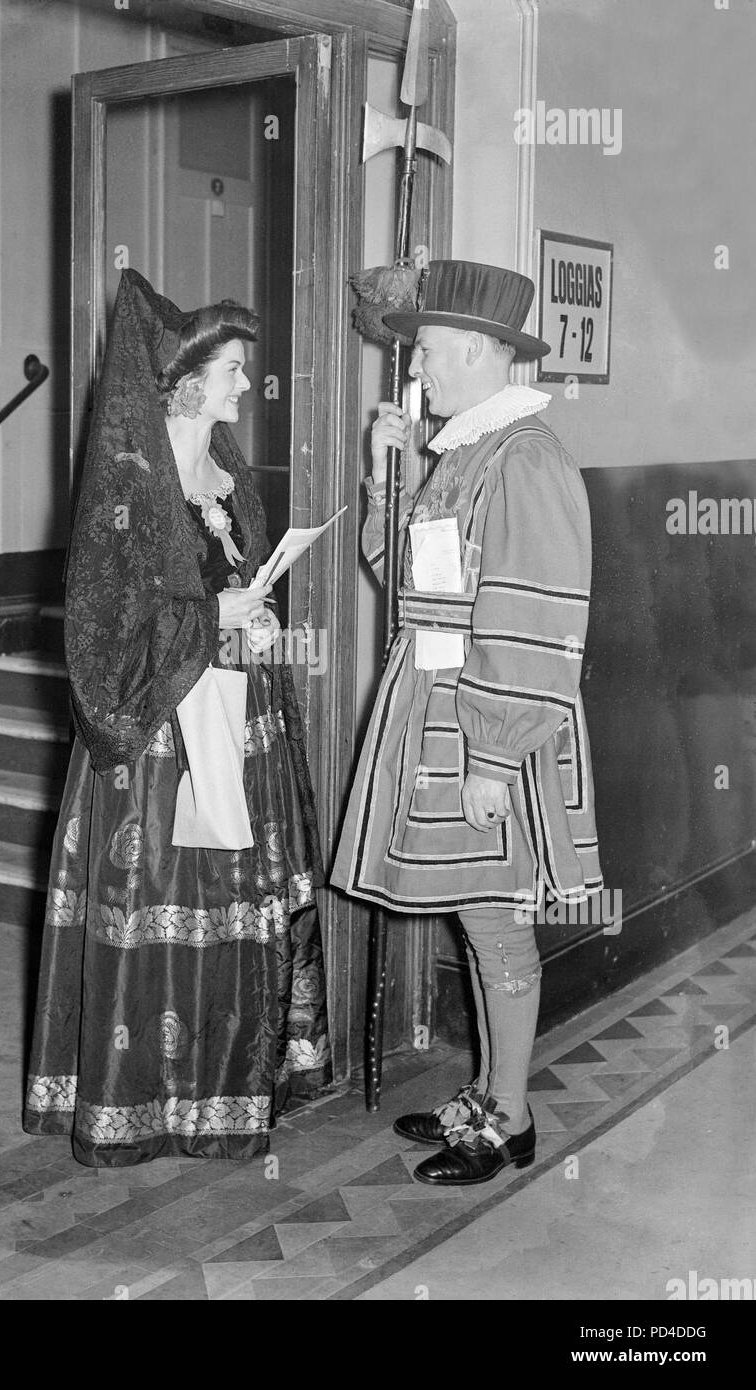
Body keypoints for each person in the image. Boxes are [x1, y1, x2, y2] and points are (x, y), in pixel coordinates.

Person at [24, 269, 329, 1166]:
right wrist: (212, 619)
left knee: (237, 899)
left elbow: (231, 586)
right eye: (234, 368)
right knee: (159, 903)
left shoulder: (231, 476)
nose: (244, 384)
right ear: (189, 381)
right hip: (155, 741)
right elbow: (102, 625)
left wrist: (257, 616)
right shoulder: (126, 480)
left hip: (237, 715)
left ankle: (223, 1094)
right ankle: (142, 1103)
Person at [332, 260, 602, 1186]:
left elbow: (538, 618)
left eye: (434, 351)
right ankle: (491, 1096)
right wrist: (387, 473)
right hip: (440, 713)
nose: (421, 370)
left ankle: (510, 1118)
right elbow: (402, 576)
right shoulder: (463, 451)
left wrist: (492, 756)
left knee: (494, 918)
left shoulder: (527, 457)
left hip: (489, 726)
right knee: (476, 914)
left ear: (486, 352)